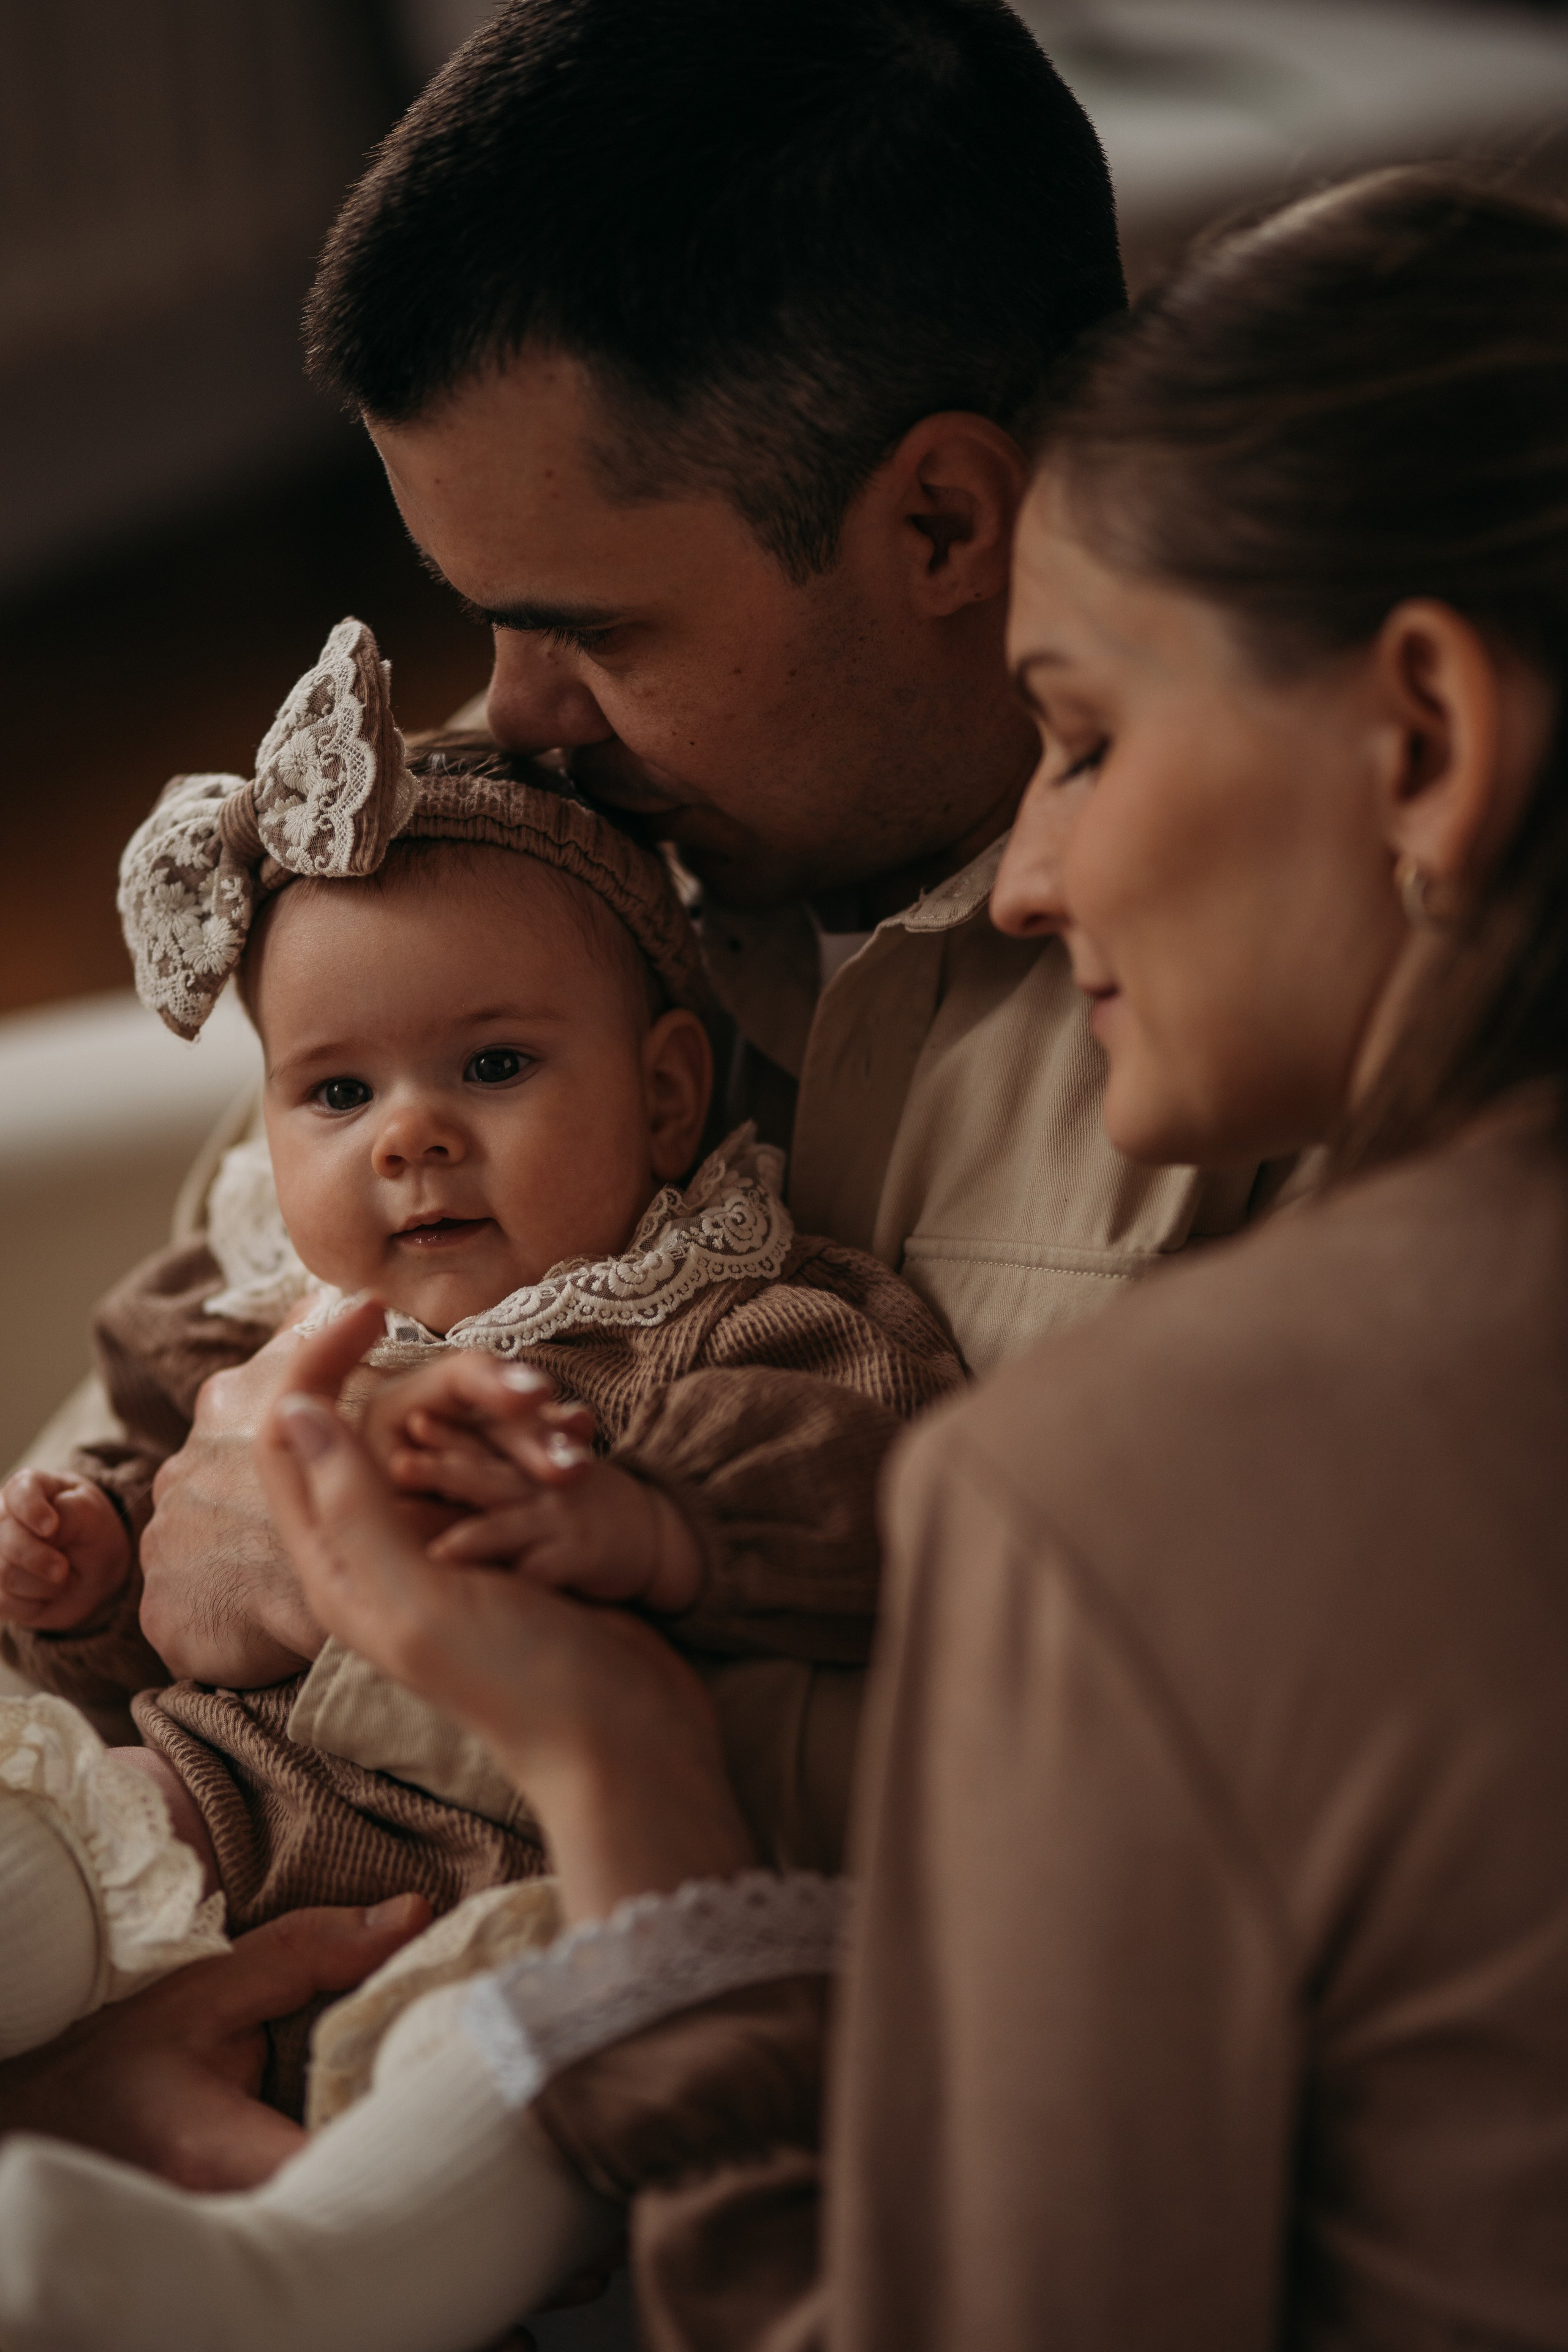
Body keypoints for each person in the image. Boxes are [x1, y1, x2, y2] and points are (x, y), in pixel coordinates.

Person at [16, 166, 1559, 2348]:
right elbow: (172, 1424)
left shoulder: (1214, 1263)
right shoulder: (497, 904)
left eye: (1088, 738)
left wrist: (596, 1742)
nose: (512, 715)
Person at [6, 0, 1287, 1746]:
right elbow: (160, 1414)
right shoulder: (511, 840)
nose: (516, 718)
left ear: (941, 527)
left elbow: (1074, 1805)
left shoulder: (1271, 1025)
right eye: (489, 616)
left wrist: (368, 1613)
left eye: (590, 630)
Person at [0, 622, 960, 2117]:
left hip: (527, 1897)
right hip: (215, 1814)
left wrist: (652, 1519)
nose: (410, 1135)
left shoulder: (710, 1306)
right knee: (68, 1842)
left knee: (467, 2129)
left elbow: (877, 1472)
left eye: (494, 1066)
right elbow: (163, 1605)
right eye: (336, 1090)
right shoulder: (239, 1313)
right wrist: (92, 1580)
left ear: (662, 1097)